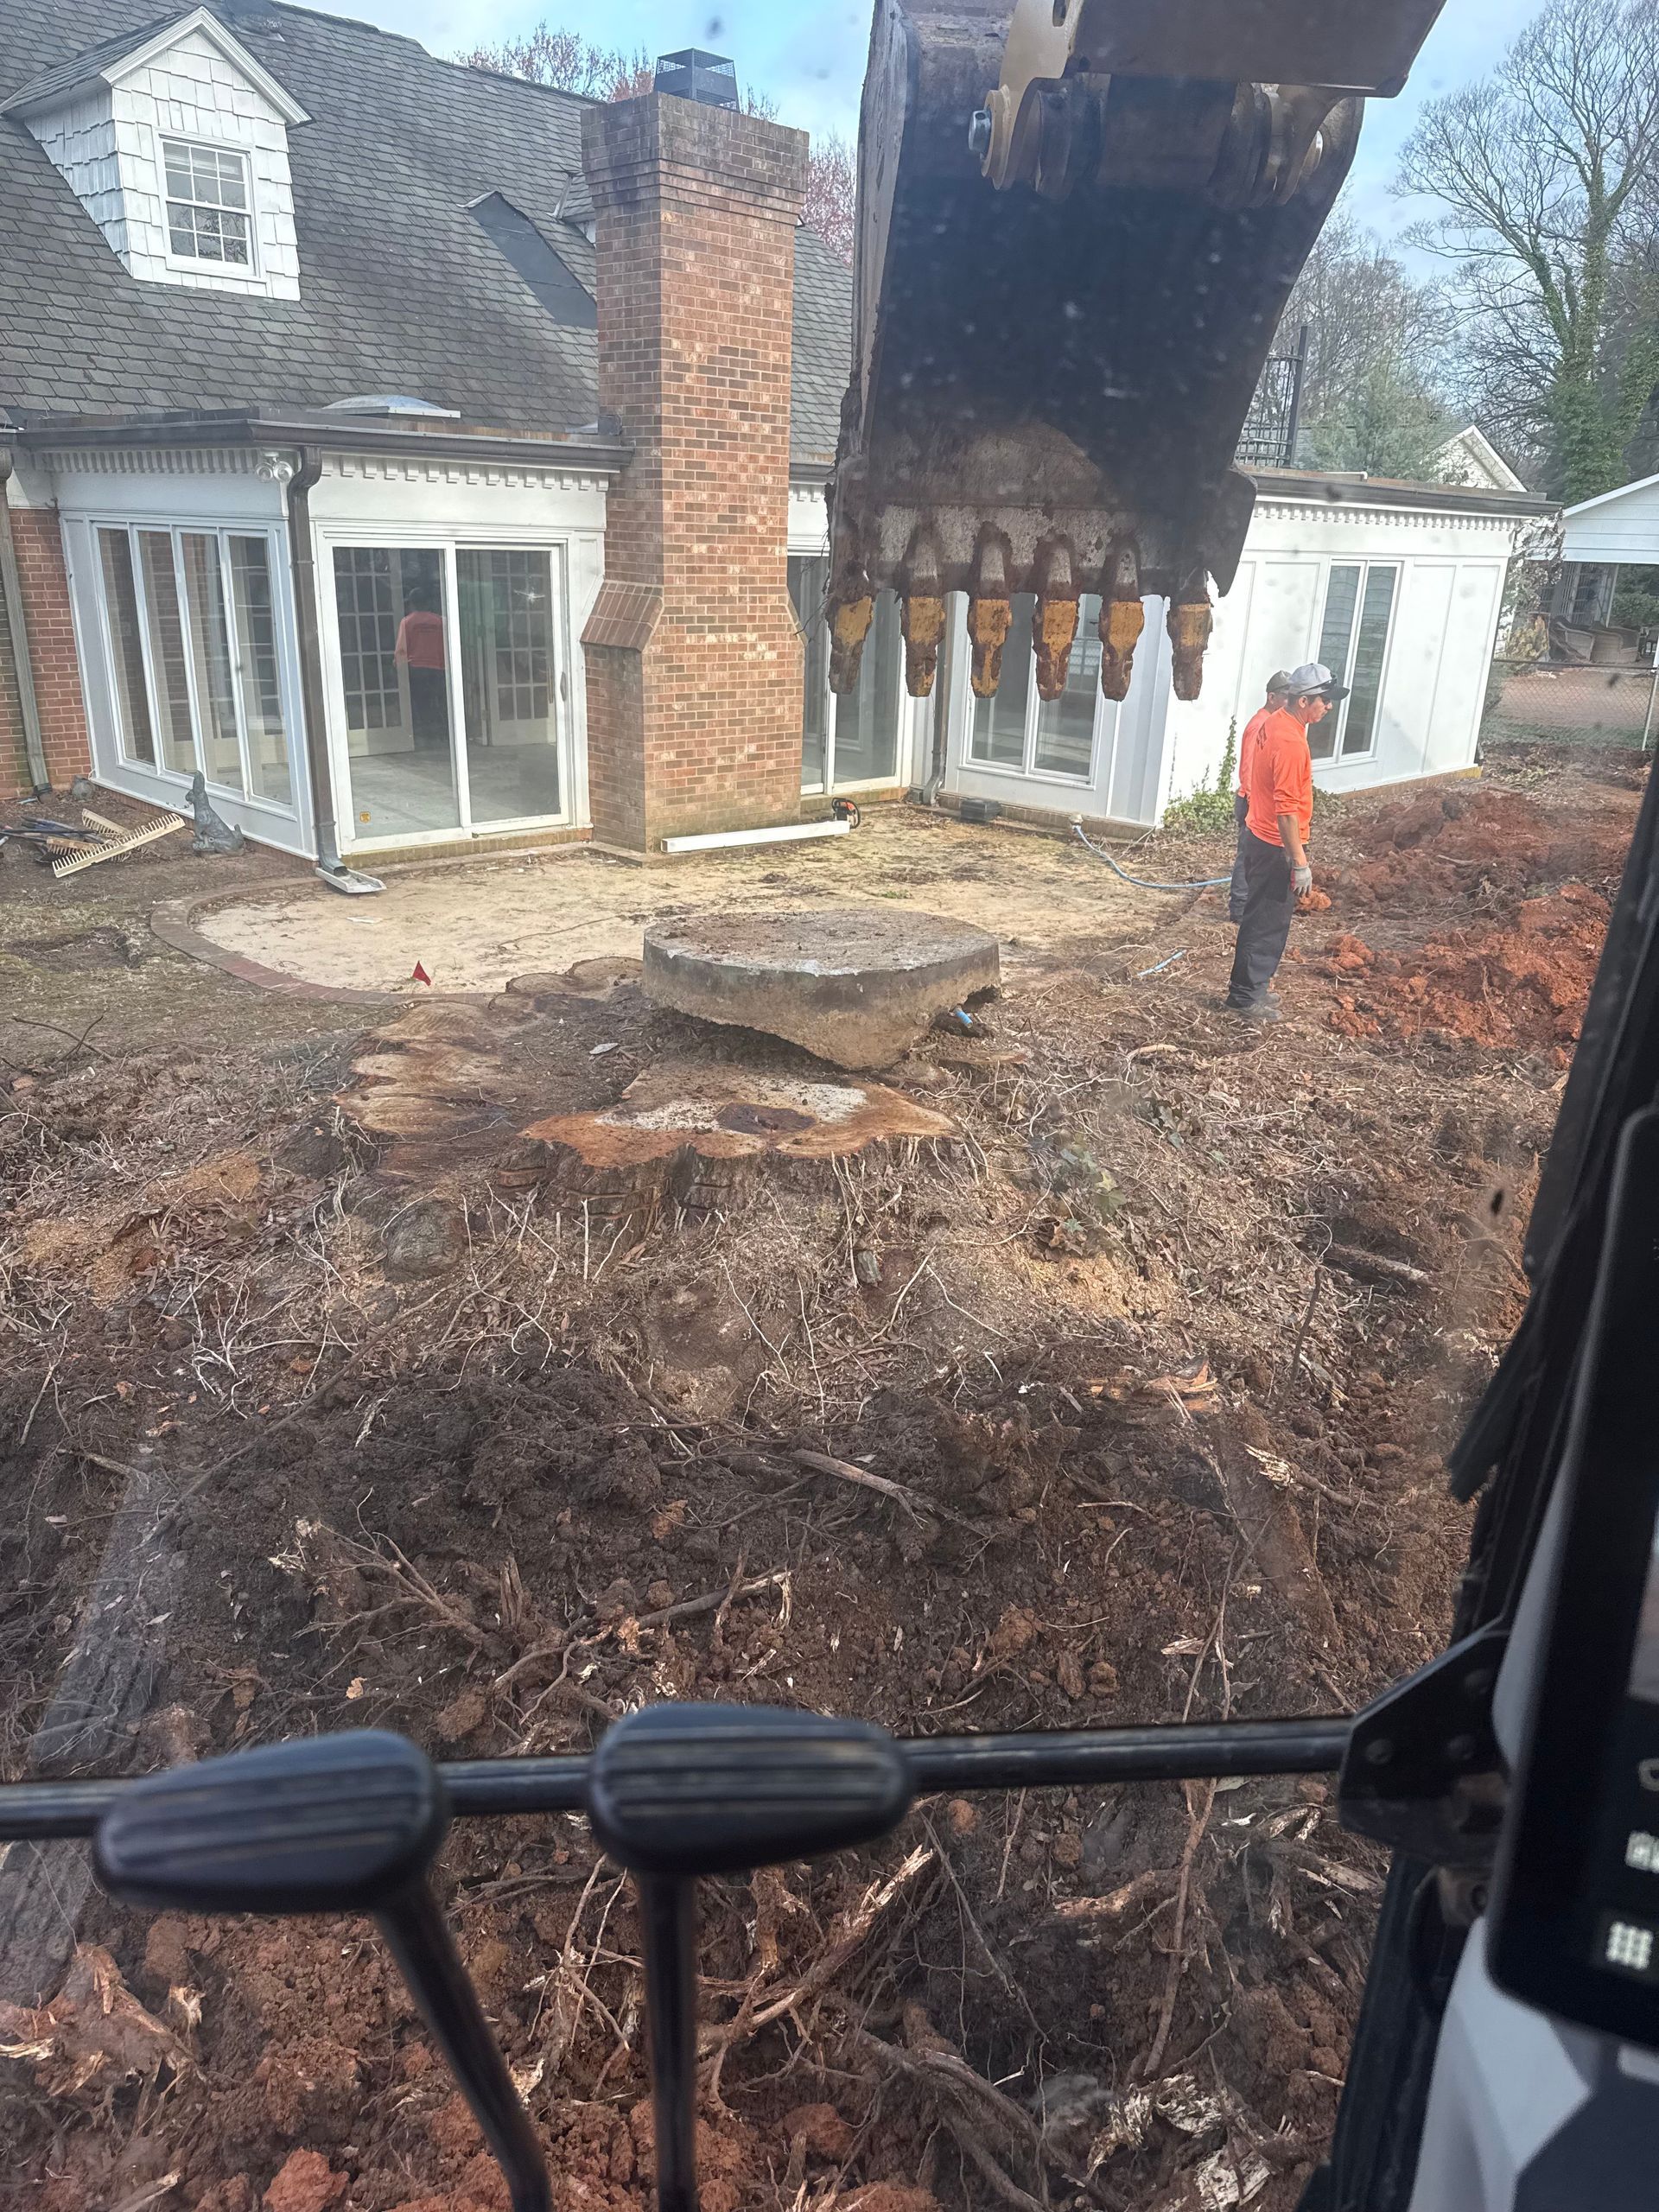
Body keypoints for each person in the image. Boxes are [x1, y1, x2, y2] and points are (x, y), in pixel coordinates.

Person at [1225, 661, 1345, 1021]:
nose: (1329, 707)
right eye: (1325, 700)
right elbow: (1287, 812)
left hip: (1258, 835)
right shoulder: (1291, 741)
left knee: (1260, 917)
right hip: (1274, 844)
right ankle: (1245, 998)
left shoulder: (1276, 721)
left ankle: (1251, 988)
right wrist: (1300, 862)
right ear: (1304, 701)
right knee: (1267, 921)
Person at [1230, 671, 1295, 924]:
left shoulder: (1271, 723)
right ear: (1272, 697)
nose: (1290, 704)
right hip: (1250, 799)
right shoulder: (1260, 724)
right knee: (1246, 855)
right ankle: (1238, 908)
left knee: (1252, 856)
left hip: (1252, 799)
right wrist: (1253, 800)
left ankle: (1246, 905)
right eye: (1286, 698)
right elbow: (1249, 766)